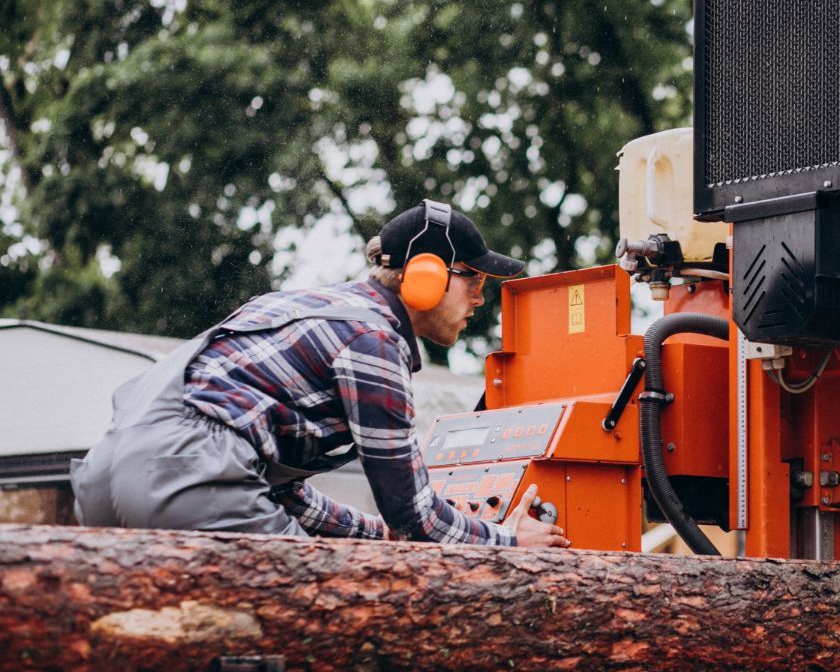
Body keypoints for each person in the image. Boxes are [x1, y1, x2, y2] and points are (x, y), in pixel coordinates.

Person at [71, 200, 569, 548]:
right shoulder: (372, 340)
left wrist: (377, 533)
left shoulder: (303, 307)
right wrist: (510, 539)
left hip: (106, 471)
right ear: (427, 275)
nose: (481, 299)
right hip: (189, 479)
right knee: (309, 620)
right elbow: (414, 517)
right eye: (473, 279)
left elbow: (279, 488)